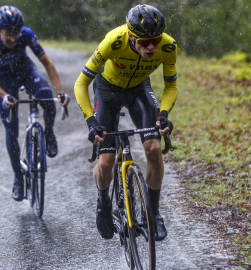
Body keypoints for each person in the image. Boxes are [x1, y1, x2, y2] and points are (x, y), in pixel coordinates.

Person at [74, 4, 177, 241]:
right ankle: (103, 202)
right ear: (131, 36)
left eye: (155, 39)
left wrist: (163, 113)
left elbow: (171, 85)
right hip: (107, 90)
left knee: (153, 148)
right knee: (106, 162)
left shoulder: (168, 46)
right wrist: (91, 122)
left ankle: (153, 214)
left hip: (139, 90)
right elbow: (81, 83)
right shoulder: (114, 41)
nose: (151, 47)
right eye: (144, 41)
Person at [0, 6, 70, 201]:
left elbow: (47, 63)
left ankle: (48, 133)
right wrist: (4, 95)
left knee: (46, 96)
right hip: (4, 83)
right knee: (11, 132)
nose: (13, 39)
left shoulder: (27, 34)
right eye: (8, 34)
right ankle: (18, 179)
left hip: (26, 72)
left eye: (16, 33)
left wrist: (60, 91)